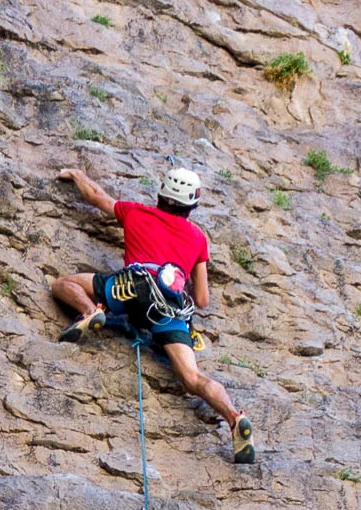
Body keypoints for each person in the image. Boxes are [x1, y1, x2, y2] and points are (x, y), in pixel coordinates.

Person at [50, 162, 254, 465]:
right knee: (192, 377)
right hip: (168, 308)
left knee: (63, 284)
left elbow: (96, 197)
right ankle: (234, 417)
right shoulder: (198, 238)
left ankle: (90, 311)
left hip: (130, 288)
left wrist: (78, 174)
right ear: (192, 205)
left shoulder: (136, 212)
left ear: (160, 195)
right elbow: (201, 299)